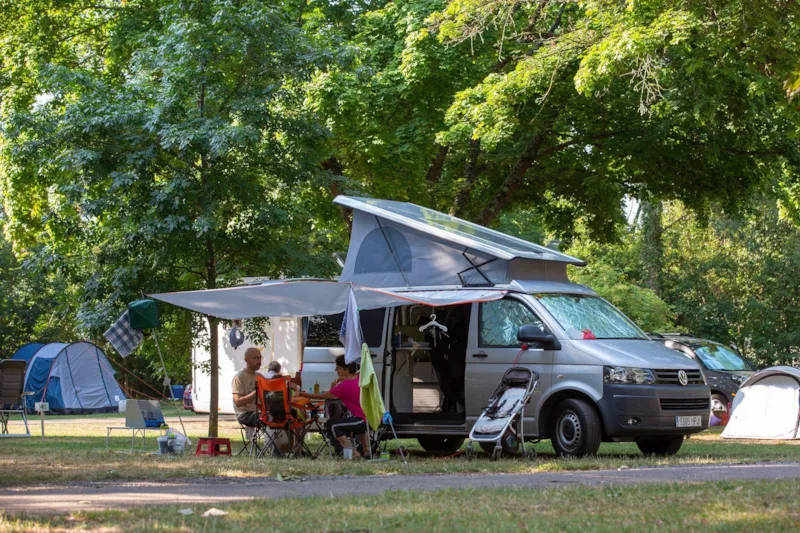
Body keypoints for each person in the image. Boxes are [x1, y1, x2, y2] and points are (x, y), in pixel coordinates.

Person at [302, 355, 369, 458]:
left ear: (346, 370)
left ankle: (353, 452)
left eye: (338, 368)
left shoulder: (345, 386)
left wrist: (301, 394)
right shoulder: (360, 378)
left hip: (362, 420)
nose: (335, 370)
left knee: (332, 424)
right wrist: (342, 378)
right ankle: (366, 451)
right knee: (351, 424)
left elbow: (323, 396)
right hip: (371, 418)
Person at [232, 347, 264, 428]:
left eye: (260, 358)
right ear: (246, 360)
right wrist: (256, 392)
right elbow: (238, 402)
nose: (259, 361)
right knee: (265, 417)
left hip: (259, 412)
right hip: (244, 414)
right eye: (256, 358)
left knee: (284, 415)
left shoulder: (260, 376)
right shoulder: (239, 377)